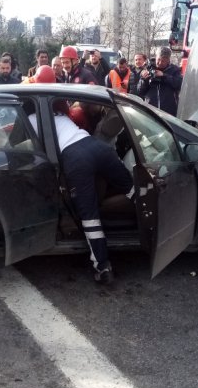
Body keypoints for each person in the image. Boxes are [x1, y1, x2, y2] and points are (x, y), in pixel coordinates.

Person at [29, 73, 133, 284]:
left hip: (76, 159)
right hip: (97, 147)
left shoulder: (31, 119)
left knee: (90, 216)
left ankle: (103, 267)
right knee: (135, 189)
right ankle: (157, 228)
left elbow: (18, 146)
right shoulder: (61, 114)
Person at [138, 47, 183, 116]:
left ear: (168, 60)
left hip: (169, 111)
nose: (160, 63)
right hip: (151, 110)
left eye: (163, 61)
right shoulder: (147, 68)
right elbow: (140, 91)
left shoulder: (174, 70)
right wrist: (144, 80)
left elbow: (179, 84)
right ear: (156, 57)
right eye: (158, 59)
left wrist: (164, 76)